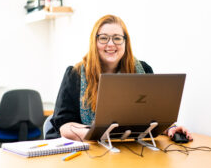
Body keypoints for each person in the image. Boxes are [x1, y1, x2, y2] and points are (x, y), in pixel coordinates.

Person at [49, 14, 193, 142]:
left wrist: (170, 129)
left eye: (117, 38)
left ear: (125, 42)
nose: (111, 44)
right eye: (104, 38)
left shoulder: (144, 70)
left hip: (134, 149)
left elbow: (155, 117)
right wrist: (100, 134)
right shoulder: (74, 75)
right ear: (94, 42)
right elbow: (64, 126)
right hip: (92, 153)